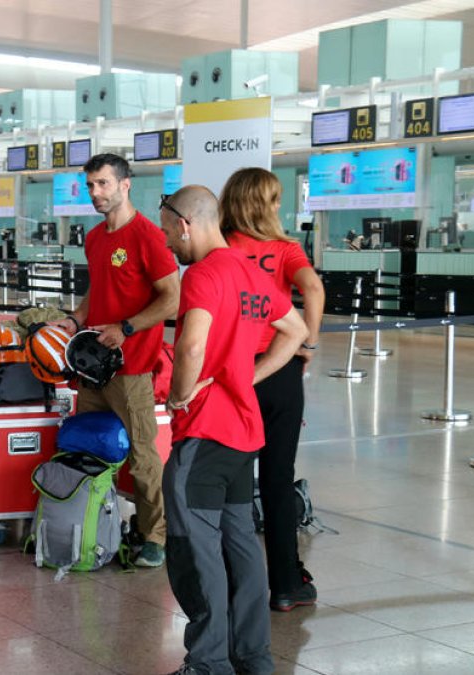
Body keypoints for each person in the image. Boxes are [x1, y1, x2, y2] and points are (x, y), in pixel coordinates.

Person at [158, 186, 307, 675]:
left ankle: (208, 663)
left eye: (166, 232)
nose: (167, 245)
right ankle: (253, 657)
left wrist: (180, 394)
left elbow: (191, 346)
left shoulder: (202, 275)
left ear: (185, 223)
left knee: (193, 552)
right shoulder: (249, 270)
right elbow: (297, 332)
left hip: (202, 436)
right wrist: (245, 376)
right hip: (243, 435)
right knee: (241, 548)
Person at [48, 152, 179, 568]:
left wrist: (126, 328)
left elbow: (171, 297)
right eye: (90, 185)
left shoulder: (149, 236)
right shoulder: (95, 237)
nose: (95, 193)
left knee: (142, 456)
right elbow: (98, 290)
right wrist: (75, 319)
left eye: (103, 184)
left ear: (125, 185)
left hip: (133, 366)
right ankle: (96, 522)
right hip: (92, 367)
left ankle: (154, 534)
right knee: (91, 446)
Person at [220, 168, 325, 612]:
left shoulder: (220, 246)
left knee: (233, 481)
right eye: (276, 200)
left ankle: (235, 584)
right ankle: (286, 584)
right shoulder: (285, 250)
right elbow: (313, 289)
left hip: (234, 372)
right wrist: (309, 341)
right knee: (278, 479)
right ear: (265, 204)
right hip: (279, 370)